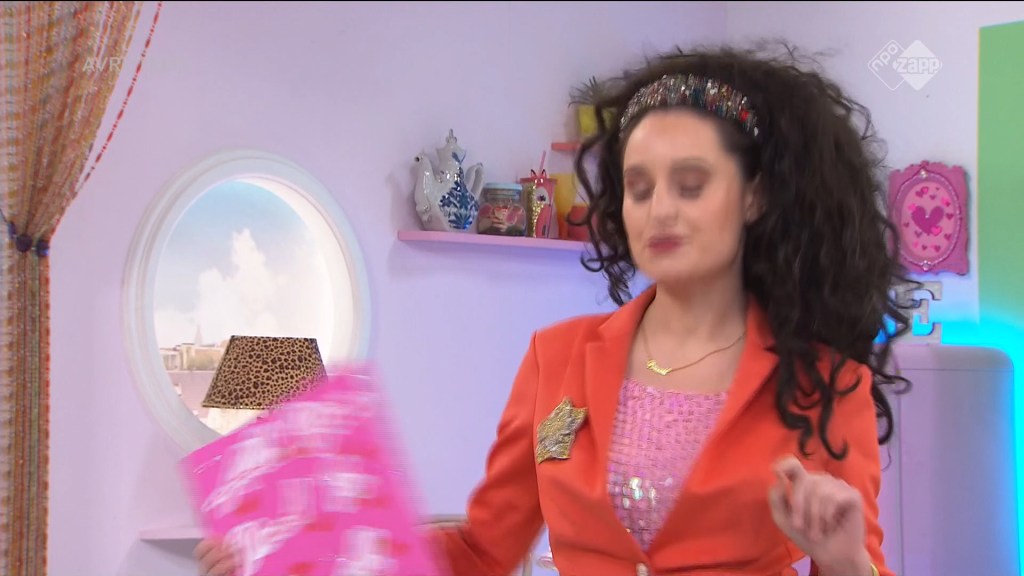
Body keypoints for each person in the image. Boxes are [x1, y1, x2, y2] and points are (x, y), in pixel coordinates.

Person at [196, 41, 913, 576]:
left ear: (754, 197)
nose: (659, 209)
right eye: (639, 188)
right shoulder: (557, 359)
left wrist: (843, 559)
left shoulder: (827, 385)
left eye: (691, 185)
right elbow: (483, 552)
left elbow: (860, 564)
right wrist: (294, 554)